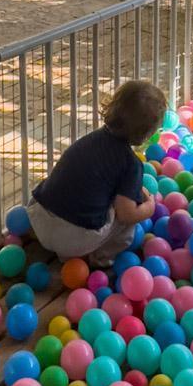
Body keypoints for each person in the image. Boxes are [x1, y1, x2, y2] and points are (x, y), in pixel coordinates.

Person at [27, 79, 166, 266]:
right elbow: (126, 213)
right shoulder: (131, 164)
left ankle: (59, 246)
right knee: (127, 221)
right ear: (147, 134)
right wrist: (149, 208)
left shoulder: (90, 140)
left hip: (39, 220)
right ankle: (99, 258)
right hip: (73, 239)